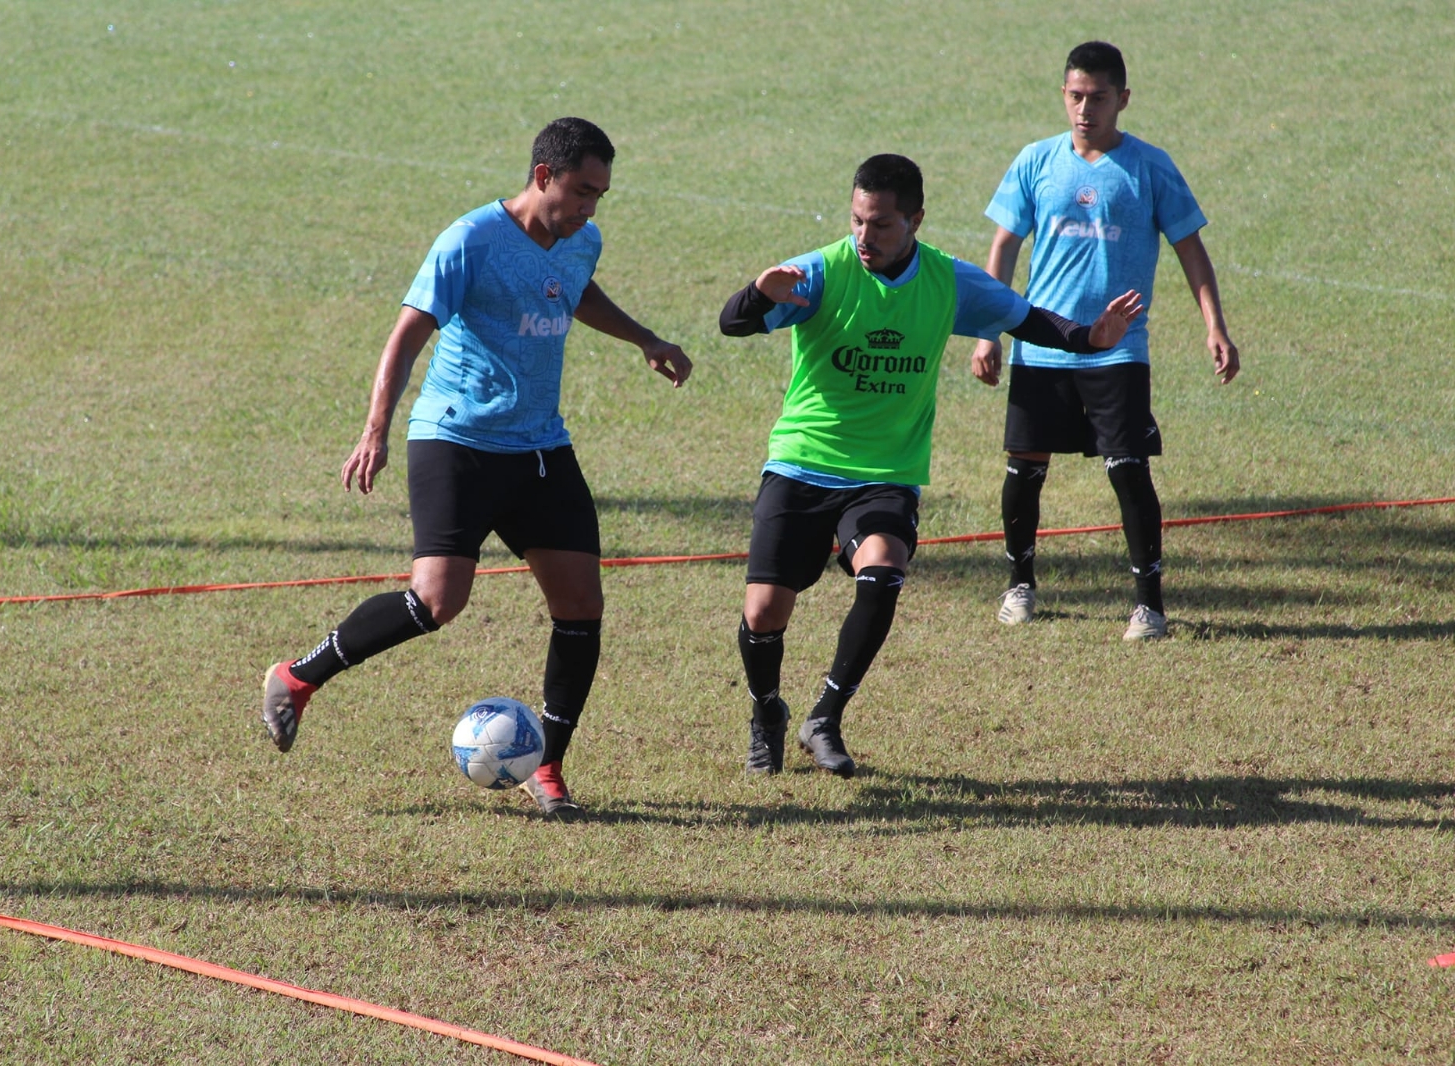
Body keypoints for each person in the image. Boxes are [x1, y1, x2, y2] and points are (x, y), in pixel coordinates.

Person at [261, 117, 692, 817]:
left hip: (540, 446)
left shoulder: (582, 239)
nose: (590, 207)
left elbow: (575, 288)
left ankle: (546, 767)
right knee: (437, 601)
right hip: (456, 442)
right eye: (582, 190)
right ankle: (297, 678)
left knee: (581, 603)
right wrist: (376, 431)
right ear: (543, 176)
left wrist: (644, 338)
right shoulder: (471, 241)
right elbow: (406, 335)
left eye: (601, 196)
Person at [719, 153, 1141, 776]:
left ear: (916, 219)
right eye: (859, 221)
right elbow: (733, 323)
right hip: (802, 465)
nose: (866, 237)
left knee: (883, 569)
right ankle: (766, 713)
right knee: (763, 614)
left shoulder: (948, 281)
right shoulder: (820, 272)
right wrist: (758, 293)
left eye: (883, 224)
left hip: (886, 474)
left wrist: (1088, 339)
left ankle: (825, 717)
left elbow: (1024, 317)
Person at [969, 40, 1240, 641]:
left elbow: (1189, 249)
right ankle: (1020, 584)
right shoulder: (1036, 161)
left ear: (1123, 98)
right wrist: (991, 331)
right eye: (1074, 96)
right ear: (1063, 96)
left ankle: (1149, 605)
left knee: (1129, 469)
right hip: (1041, 345)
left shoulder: (1149, 166)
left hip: (1119, 349)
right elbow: (1004, 247)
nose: (1084, 109)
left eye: (1096, 97)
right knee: (1023, 469)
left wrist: (1214, 325)